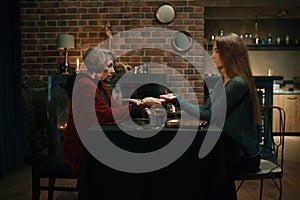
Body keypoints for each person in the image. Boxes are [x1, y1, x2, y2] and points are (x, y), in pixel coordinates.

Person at [160, 32, 261, 175]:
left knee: (189, 166)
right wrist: (176, 101)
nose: (211, 55)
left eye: (216, 51)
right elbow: (206, 109)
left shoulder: (237, 83)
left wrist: (178, 100)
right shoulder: (223, 82)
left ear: (229, 54)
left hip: (244, 157)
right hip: (228, 150)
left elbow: (209, 115)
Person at [62, 46, 162, 176]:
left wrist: (137, 103)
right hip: (82, 151)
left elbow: (112, 108)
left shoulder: (99, 84)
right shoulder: (84, 84)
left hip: (93, 144)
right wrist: (141, 104)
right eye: (109, 66)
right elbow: (105, 115)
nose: (113, 71)